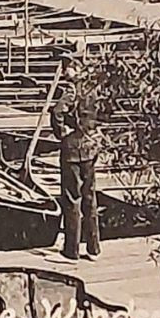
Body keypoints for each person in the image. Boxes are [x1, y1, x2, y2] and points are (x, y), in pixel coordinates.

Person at [50, 94, 102, 261]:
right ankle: (93, 248)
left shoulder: (73, 92)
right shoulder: (94, 91)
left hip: (72, 149)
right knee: (90, 197)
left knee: (72, 199)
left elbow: (57, 111)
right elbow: (105, 112)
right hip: (90, 147)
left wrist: (62, 133)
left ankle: (71, 250)